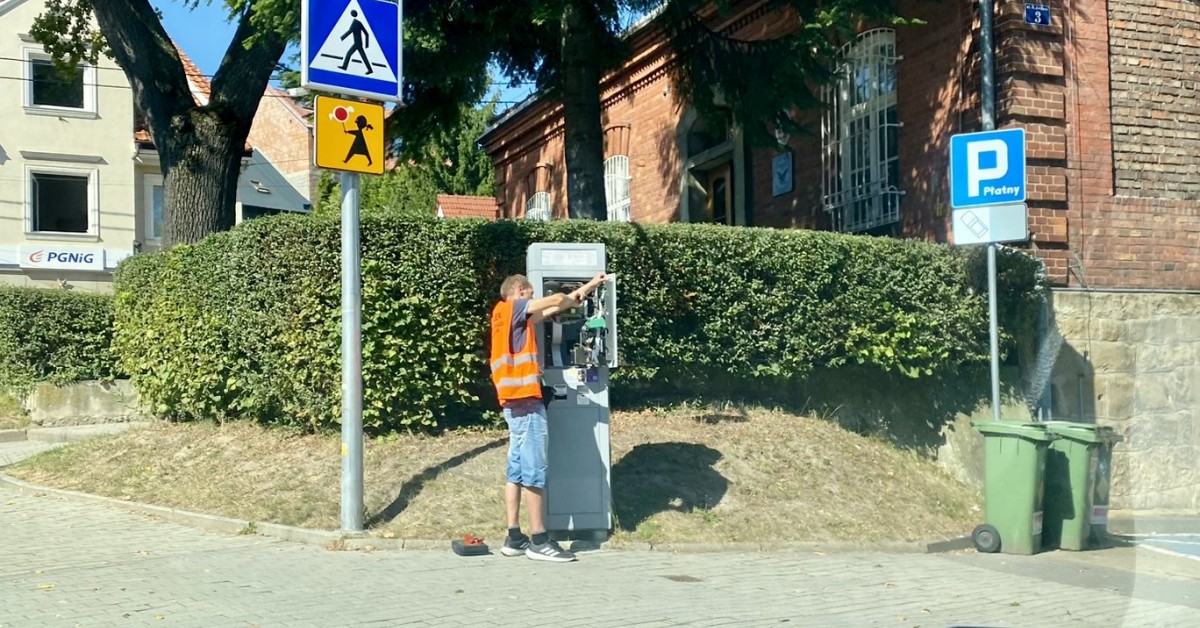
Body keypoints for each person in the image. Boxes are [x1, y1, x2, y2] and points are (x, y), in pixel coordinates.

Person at [490, 271, 606, 562]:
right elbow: (553, 299)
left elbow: (556, 307)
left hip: (513, 403)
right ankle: (539, 540)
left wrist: (590, 286)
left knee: (516, 470)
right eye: (530, 294)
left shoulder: (508, 319)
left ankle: (514, 536)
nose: (533, 299)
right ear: (519, 290)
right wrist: (560, 297)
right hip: (526, 402)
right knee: (534, 469)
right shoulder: (511, 307)